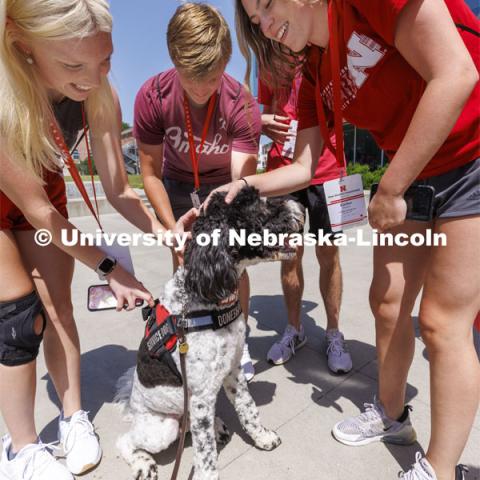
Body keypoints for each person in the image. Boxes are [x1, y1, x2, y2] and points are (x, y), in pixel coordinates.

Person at [223, 1, 479, 479]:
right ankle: (392, 415)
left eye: (266, 4)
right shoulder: (313, 68)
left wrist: (393, 187)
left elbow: (457, 74)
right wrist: (244, 185)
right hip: (415, 168)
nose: (263, 22)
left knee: (444, 324)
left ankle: (439, 470)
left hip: (470, 155)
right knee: (387, 303)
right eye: (255, 19)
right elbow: (303, 166)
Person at [0, 1, 182, 478]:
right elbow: (38, 213)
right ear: (23, 46)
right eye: (73, 65)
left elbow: (120, 189)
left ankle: (72, 415)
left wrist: (165, 234)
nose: (94, 78)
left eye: (105, 60)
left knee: (57, 305)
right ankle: (20, 448)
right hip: (13, 197)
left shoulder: (99, 95)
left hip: (42, 186)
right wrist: (111, 269)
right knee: (18, 315)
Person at [134, 2, 262, 381]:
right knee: (187, 264)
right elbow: (150, 173)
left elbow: (242, 182)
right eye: (194, 79)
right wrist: (172, 227)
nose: (206, 89)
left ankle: (238, 340)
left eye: (214, 76)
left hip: (223, 186)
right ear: (175, 60)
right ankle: (195, 336)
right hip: (175, 183)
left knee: (231, 266)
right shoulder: (153, 97)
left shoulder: (241, 103)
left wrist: (229, 223)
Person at [258, 74, 352, 373]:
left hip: (327, 168)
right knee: (288, 256)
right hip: (283, 171)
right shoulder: (269, 57)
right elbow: (267, 111)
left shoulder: (323, 51)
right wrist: (263, 122)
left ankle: (333, 332)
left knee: (329, 255)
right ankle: (294, 329)